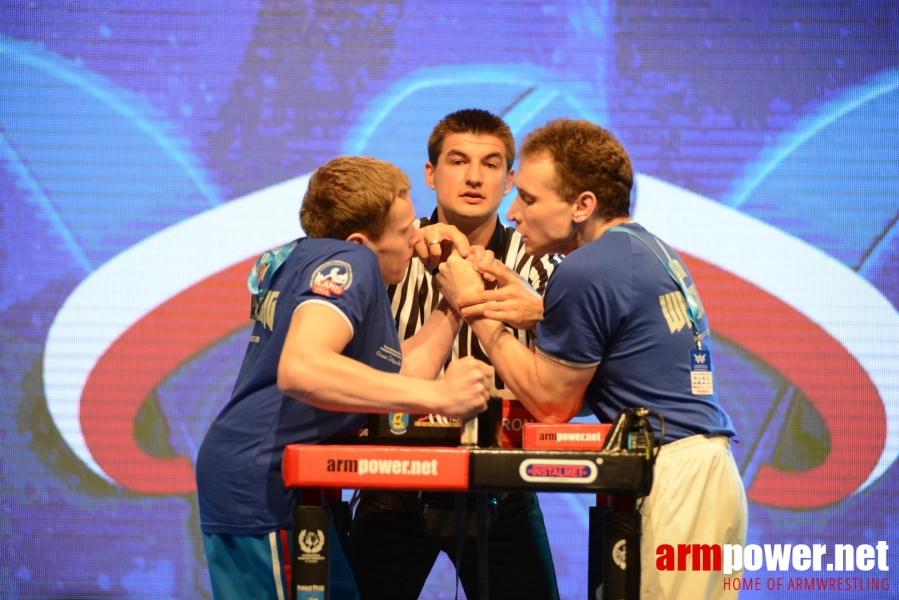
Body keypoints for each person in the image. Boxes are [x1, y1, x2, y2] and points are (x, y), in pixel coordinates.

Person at [438, 119, 748, 599]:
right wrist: (541, 315)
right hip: (706, 476)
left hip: (678, 485)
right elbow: (610, 362)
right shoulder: (642, 248)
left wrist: (473, 306)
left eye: (530, 199)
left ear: (583, 205)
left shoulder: (586, 268)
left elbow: (553, 405)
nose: (515, 212)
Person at [195, 156, 495, 600]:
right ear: (359, 241)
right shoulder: (350, 261)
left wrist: (453, 307)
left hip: (286, 484)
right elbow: (302, 369)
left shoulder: (309, 256)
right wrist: (439, 396)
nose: (418, 240)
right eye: (405, 230)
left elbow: (392, 379)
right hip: (263, 487)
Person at [347, 109, 561, 600]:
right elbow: (351, 368)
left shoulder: (541, 263)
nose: (472, 176)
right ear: (429, 174)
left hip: (501, 486)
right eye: (457, 160)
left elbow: (566, 376)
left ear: (509, 181)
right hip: (392, 485)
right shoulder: (383, 253)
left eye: (490, 164)